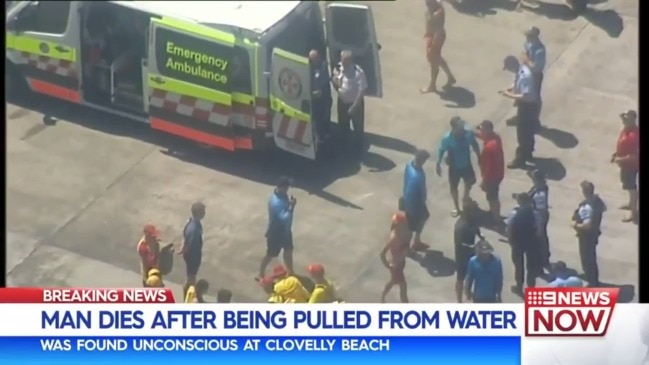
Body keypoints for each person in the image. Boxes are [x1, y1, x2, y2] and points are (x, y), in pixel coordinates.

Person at [436, 117, 480, 217]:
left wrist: (479, 156)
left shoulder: (468, 134)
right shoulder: (447, 138)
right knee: (453, 188)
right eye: (460, 127)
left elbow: (474, 144)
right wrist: (438, 163)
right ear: (453, 127)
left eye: (462, 126)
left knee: (470, 182)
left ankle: (465, 197)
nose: (462, 129)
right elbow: (441, 150)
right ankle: (457, 207)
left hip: (466, 164)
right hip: (454, 167)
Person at [500, 55, 539, 169]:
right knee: (529, 132)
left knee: (522, 134)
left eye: (508, 68)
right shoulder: (521, 71)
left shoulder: (525, 76)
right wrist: (510, 88)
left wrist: (509, 95)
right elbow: (517, 82)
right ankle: (528, 154)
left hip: (527, 106)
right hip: (529, 106)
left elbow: (525, 96)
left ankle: (520, 159)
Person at [258, 177, 296, 279]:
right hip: (276, 232)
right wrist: (292, 207)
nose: (288, 189)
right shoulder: (276, 203)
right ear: (282, 187)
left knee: (288, 250)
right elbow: (284, 218)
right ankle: (261, 273)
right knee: (271, 254)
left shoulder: (283, 195)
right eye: (287, 187)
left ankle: (291, 272)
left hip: (286, 231)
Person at [332, 50, 367, 156]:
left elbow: (362, 90)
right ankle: (344, 150)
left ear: (350, 61)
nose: (343, 64)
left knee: (358, 130)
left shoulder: (358, 72)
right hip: (342, 102)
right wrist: (335, 81)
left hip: (355, 104)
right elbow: (335, 81)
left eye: (345, 62)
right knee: (343, 126)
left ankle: (357, 152)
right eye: (342, 61)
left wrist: (355, 106)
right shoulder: (338, 68)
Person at [571, 180, 606, 287]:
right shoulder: (597, 202)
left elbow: (587, 225)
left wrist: (575, 226)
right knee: (591, 257)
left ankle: (592, 281)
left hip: (586, 236)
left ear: (585, 191)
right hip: (594, 234)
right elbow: (603, 208)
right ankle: (592, 277)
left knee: (587, 259)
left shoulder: (587, 208)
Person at [506, 192, 541, 295]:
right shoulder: (534, 213)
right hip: (531, 242)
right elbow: (539, 229)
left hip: (517, 242)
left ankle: (519, 286)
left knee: (518, 265)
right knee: (531, 266)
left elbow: (509, 228)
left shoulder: (514, 213)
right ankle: (531, 287)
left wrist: (510, 239)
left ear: (519, 201)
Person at [420, 0, 456, 93]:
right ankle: (450, 77)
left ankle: (432, 85)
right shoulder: (435, 5)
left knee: (433, 62)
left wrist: (434, 42)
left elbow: (439, 29)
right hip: (431, 36)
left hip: (436, 38)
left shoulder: (437, 13)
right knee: (437, 58)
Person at [453, 198, 483, 303]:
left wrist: (481, 237)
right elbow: (461, 244)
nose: (475, 212)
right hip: (462, 256)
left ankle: (469, 292)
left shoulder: (472, 220)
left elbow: (476, 229)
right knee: (460, 278)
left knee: (474, 275)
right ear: (468, 211)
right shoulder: (461, 226)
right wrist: (474, 247)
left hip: (471, 253)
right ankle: (459, 300)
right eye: (473, 210)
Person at [612, 110, 639, 223]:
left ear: (633, 120)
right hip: (625, 165)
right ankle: (630, 204)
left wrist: (620, 159)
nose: (624, 120)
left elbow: (635, 156)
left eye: (627, 119)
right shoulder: (627, 129)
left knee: (632, 189)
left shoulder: (634, 135)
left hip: (630, 166)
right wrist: (616, 154)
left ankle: (633, 213)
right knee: (628, 187)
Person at [476, 120, 505, 225]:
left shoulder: (489, 148)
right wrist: (474, 134)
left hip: (491, 177)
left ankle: (497, 220)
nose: (480, 132)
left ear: (487, 130)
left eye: (481, 129)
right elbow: (484, 137)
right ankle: (494, 213)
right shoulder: (495, 137)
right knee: (493, 195)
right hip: (498, 174)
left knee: (492, 197)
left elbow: (488, 167)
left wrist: (484, 181)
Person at [402, 149, 431, 251]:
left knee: (412, 223)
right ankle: (412, 244)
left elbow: (405, 180)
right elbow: (422, 192)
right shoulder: (419, 176)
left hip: (407, 198)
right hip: (415, 202)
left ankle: (415, 242)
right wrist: (423, 200)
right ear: (422, 160)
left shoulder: (409, 165)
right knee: (416, 222)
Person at [380, 212, 411, 303]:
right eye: (403, 225)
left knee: (393, 282)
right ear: (398, 226)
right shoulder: (394, 238)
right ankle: (405, 304)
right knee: (403, 287)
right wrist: (387, 265)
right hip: (396, 266)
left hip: (400, 264)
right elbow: (383, 253)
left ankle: (383, 295)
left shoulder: (401, 235)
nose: (405, 226)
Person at [521, 27, 546, 130]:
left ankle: (535, 120)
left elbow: (536, 67)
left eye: (528, 35)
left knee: (535, 98)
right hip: (526, 73)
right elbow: (524, 51)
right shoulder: (529, 43)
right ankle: (523, 116)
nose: (526, 37)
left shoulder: (540, 50)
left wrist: (526, 60)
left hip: (535, 76)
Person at [180, 202, 206, 292]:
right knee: (191, 279)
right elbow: (192, 244)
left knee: (190, 279)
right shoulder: (194, 227)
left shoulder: (191, 222)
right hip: (193, 257)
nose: (204, 213)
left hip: (191, 256)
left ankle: (188, 295)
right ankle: (189, 298)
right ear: (199, 212)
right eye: (203, 211)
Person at [528, 169, 550, 270]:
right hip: (538, 216)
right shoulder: (537, 188)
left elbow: (541, 209)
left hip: (540, 217)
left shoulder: (540, 193)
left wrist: (539, 223)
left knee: (541, 238)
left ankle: (543, 259)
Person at [309, 50, 332, 139]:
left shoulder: (324, 66)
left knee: (325, 117)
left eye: (317, 57)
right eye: (314, 58)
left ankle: (326, 133)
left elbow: (327, 79)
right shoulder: (309, 69)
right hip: (315, 100)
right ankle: (319, 136)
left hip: (324, 98)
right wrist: (312, 93)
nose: (317, 59)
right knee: (317, 120)